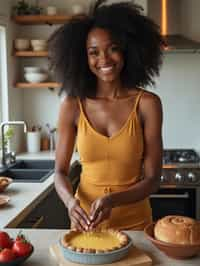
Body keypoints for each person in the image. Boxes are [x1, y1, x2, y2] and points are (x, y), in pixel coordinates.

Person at [48, 0, 164, 231]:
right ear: (83, 58)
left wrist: (112, 199)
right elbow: (59, 172)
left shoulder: (148, 104)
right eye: (94, 52)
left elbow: (152, 179)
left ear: (128, 50)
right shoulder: (72, 105)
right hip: (87, 226)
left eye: (113, 48)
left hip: (136, 225)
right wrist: (71, 203)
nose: (104, 59)